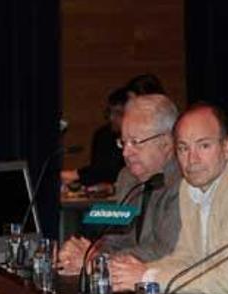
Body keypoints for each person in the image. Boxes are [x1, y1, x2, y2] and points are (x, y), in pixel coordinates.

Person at [109, 102, 228, 294]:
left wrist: (147, 277)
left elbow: (227, 282)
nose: (192, 159)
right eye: (183, 148)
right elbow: (185, 258)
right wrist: (126, 272)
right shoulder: (190, 184)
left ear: (227, 146)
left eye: (204, 146)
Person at [57, 94, 182, 273]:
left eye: (135, 142)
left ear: (167, 143)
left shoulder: (182, 183)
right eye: (123, 142)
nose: (126, 153)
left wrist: (97, 261)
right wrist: (91, 251)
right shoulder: (126, 178)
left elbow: (163, 252)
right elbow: (116, 238)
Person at [61, 87, 127, 187]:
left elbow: (116, 171)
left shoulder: (138, 138)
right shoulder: (103, 135)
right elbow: (99, 169)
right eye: (110, 112)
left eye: (118, 113)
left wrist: (77, 175)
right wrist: (77, 175)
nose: (111, 118)